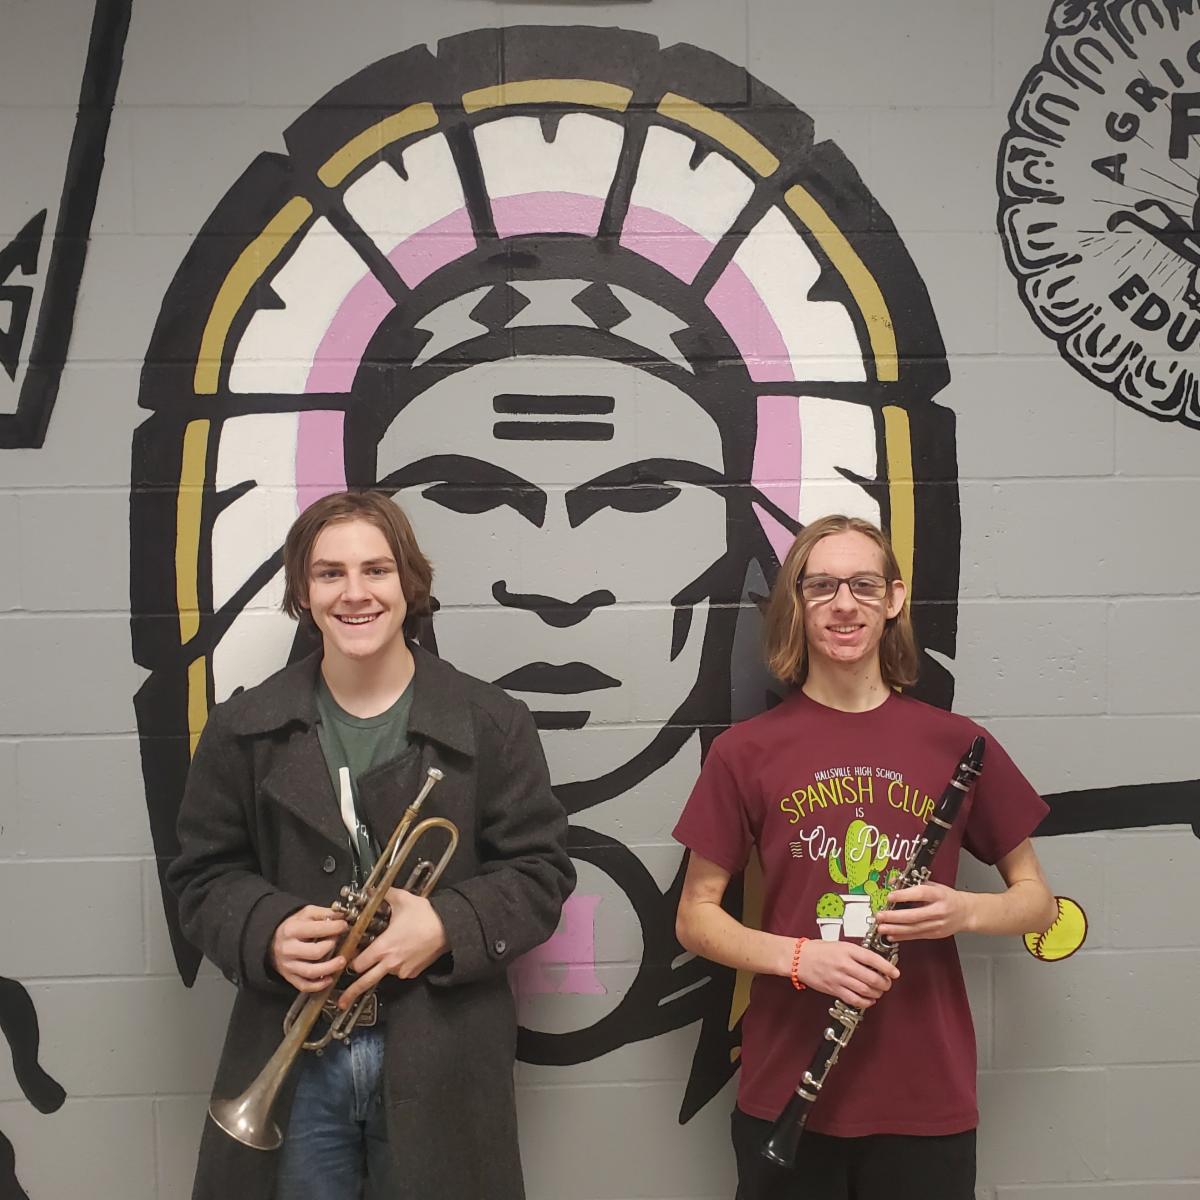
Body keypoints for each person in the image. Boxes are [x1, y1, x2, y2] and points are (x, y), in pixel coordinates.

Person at [167, 489, 575, 1200]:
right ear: (303, 592)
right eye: (330, 573)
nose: (355, 593)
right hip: (294, 1054)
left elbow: (541, 872)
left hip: (442, 1050)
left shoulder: (493, 721)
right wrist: (267, 931)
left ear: (408, 583)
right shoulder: (242, 729)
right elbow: (200, 876)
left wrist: (448, 923)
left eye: (376, 570)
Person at [673, 514, 1057, 1200]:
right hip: (785, 1084)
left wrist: (963, 910)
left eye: (863, 585)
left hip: (925, 1094)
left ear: (894, 599)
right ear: (797, 603)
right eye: (821, 586)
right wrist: (799, 958)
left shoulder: (957, 743)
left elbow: (1038, 903)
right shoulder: (744, 752)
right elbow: (695, 918)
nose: (844, 604)